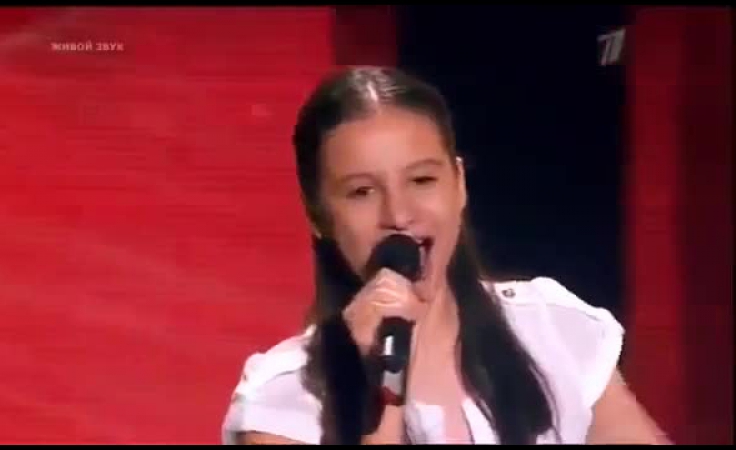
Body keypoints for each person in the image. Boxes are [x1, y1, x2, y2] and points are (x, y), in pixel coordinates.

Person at [221, 66, 670, 444]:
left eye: (422, 181)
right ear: (318, 215)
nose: (399, 215)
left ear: (459, 185)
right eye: (361, 192)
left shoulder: (550, 331)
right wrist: (369, 377)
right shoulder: (284, 400)